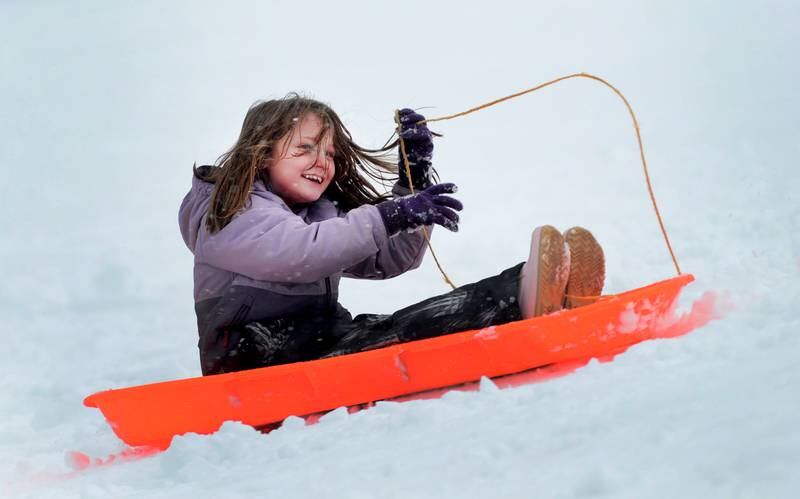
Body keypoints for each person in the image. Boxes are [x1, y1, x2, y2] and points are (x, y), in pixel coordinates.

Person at [179, 94, 605, 376]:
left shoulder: (315, 213)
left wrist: (411, 184)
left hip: (318, 344)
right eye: (305, 148)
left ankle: (543, 287)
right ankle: (523, 295)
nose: (321, 162)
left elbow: (389, 258)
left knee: (402, 326)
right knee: (403, 335)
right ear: (261, 151)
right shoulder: (229, 211)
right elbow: (300, 253)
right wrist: (389, 215)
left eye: (328, 152)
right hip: (257, 362)